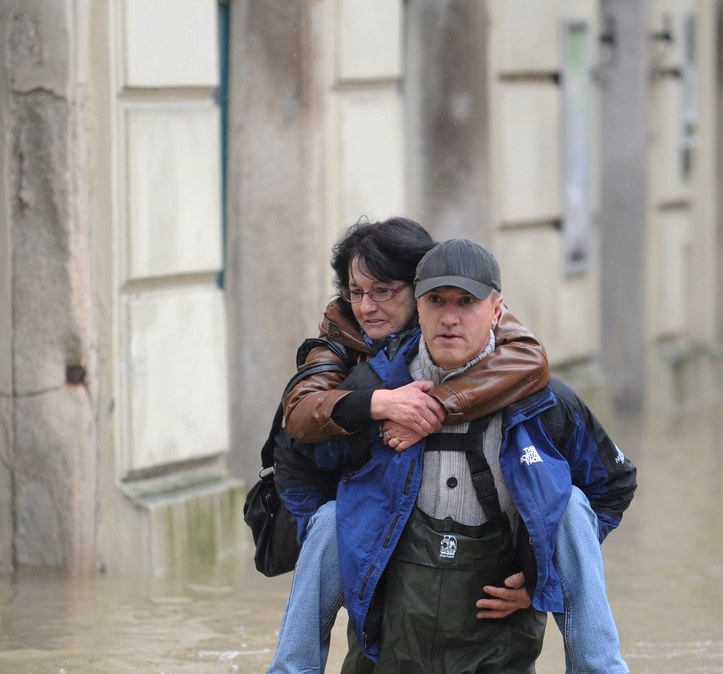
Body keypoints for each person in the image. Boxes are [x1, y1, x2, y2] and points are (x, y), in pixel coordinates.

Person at [333, 239, 637, 673]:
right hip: (388, 653)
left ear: (497, 311)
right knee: (328, 519)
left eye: (467, 302)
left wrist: (540, 578)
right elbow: (302, 479)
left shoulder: (547, 404)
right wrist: (354, 572)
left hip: (499, 650)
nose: (450, 317)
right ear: (417, 309)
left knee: (570, 505)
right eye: (436, 300)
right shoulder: (370, 393)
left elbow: (614, 486)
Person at [268, 218, 551, 674]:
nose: (366, 306)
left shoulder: (463, 323)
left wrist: (434, 407)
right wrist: (380, 402)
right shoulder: (338, 340)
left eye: (383, 291)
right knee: (327, 523)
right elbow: (301, 412)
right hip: (338, 506)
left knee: (572, 507)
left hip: (447, 540)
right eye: (355, 292)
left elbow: (530, 358)